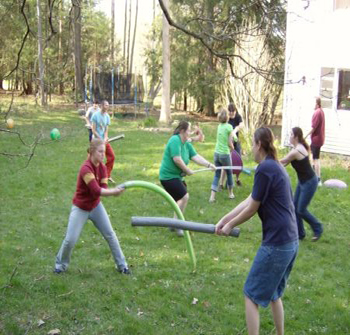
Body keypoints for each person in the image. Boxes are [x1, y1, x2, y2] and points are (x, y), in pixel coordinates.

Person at [216, 127, 298, 335]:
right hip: (291, 241)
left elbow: (252, 208)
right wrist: (225, 219)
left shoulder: (265, 168)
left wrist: (230, 226)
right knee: (273, 294)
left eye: (252, 144)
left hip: (277, 243)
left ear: (259, 145)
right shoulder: (275, 166)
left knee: (251, 294)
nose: (251, 149)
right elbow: (250, 199)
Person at [54, 138, 130, 275]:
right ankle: (60, 265)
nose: (103, 155)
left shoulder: (102, 168)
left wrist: (113, 192)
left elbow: (103, 187)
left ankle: (122, 266)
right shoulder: (86, 168)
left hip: (95, 206)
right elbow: (96, 190)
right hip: (81, 208)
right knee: (70, 239)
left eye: (104, 152)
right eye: (100, 152)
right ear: (93, 152)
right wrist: (113, 192)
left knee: (110, 235)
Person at [159, 121, 215, 237]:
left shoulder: (186, 143)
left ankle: (173, 223)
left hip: (177, 177)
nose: (190, 132)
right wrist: (187, 170)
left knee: (179, 200)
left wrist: (209, 165)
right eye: (189, 130)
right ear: (182, 131)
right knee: (184, 197)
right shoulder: (175, 140)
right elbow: (177, 159)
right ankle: (178, 225)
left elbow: (196, 157)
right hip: (168, 177)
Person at [280, 127, 323, 241]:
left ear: (296, 137)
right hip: (302, 181)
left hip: (310, 182)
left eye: (291, 134)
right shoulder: (297, 148)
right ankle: (300, 233)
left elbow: (282, 161)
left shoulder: (296, 151)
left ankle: (318, 227)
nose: (289, 136)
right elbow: (284, 164)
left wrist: (265, 163)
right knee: (295, 207)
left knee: (301, 209)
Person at [209, 108, 235, 203]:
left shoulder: (219, 126)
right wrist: (232, 148)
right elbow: (229, 142)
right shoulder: (229, 127)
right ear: (227, 117)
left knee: (217, 175)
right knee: (229, 173)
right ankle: (231, 194)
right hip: (225, 154)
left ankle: (212, 197)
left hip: (216, 154)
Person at [220, 103, 244, 187]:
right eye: (229, 112)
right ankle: (222, 183)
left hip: (236, 142)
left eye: (232, 112)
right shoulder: (226, 118)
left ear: (235, 111)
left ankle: (237, 179)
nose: (231, 114)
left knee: (238, 161)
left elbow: (241, 125)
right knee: (226, 163)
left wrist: (236, 129)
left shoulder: (238, 116)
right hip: (228, 143)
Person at [91, 100, 116, 183]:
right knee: (97, 159)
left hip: (104, 141)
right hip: (96, 141)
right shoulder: (95, 115)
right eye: (106, 105)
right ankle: (95, 176)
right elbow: (93, 130)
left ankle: (107, 175)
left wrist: (105, 138)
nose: (107, 107)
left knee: (112, 156)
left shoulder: (107, 116)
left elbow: (106, 130)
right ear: (101, 106)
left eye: (108, 105)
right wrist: (100, 139)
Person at [305, 97, 325, 186]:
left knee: (315, 159)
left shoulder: (317, 113)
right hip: (319, 138)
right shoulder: (321, 111)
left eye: (312, 103)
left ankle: (318, 179)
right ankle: (313, 177)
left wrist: (305, 136)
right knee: (312, 157)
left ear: (317, 103)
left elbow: (313, 128)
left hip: (317, 139)